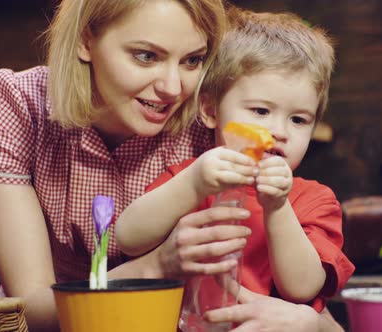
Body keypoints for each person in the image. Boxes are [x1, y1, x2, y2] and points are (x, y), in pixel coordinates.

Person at [0, 1, 348, 331]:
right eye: (146, 55)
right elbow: (33, 308)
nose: (173, 88)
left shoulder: (217, 115)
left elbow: (297, 293)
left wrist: (310, 322)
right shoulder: (13, 107)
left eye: (193, 60)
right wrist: (156, 265)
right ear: (85, 39)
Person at [115, 6, 355, 325]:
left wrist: (278, 206)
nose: (279, 131)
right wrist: (194, 183)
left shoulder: (314, 200)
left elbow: (302, 288)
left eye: (299, 119)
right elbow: (129, 237)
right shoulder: (190, 179)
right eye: (259, 111)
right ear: (211, 110)